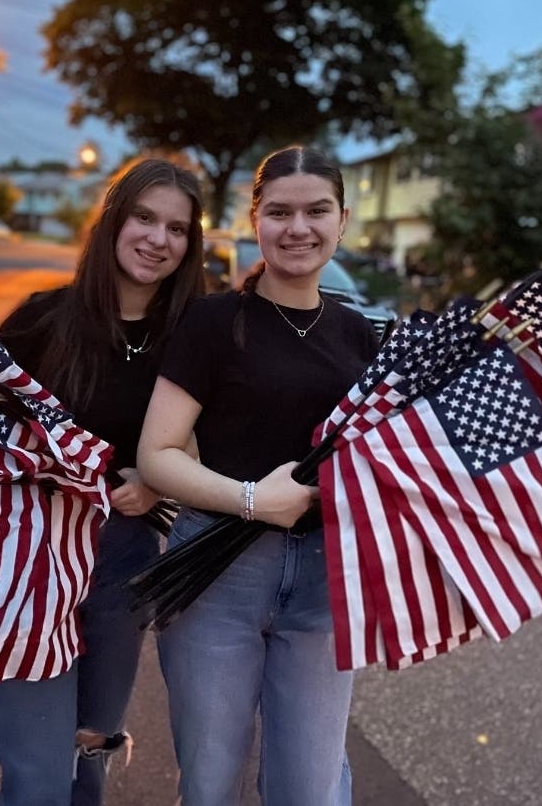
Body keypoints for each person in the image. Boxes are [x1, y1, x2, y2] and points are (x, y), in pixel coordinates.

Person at [138, 145, 380, 805]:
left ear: (342, 220)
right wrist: (251, 500)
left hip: (322, 580)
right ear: (254, 220)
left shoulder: (362, 338)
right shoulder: (214, 323)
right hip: (215, 574)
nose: (296, 227)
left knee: (309, 787)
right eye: (279, 211)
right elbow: (158, 454)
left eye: (315, 211)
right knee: (210, 784)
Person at [0, 157, 205, 806]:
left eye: (176, 228)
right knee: (34, 777)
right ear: (112, 220)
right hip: (34, 560)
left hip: (123, 562)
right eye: (143, 217)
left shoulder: (195, 339)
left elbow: (221, 442)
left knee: (90, 745)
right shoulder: (41, 321)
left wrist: (160, 481)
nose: (156, 239)